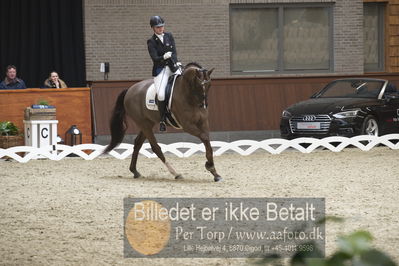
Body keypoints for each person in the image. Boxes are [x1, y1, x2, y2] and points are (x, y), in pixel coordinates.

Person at [147, 15, 181, 132]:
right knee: (161, 94)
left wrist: (176, 63)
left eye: (162, 26)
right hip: (161, 70)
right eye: (158, 27)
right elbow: (155, 58)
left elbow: (175, 52)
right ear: (153, 28)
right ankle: (162, 119)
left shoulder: (169, 36)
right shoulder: (151, 42)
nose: (161, 29)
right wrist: (163, 57)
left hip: (172, 67)